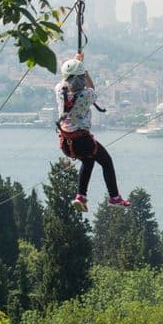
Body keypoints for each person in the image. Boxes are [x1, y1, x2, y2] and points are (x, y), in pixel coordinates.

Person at [55, 52, 130, 212]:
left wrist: (76, 63)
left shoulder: (59, 91)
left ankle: (80, 196)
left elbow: (66, 80)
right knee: (106, 162)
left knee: (88, 161)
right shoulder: (86, 95)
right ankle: (114, 197)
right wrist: (84, 69)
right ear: (82, 77)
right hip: (83, 141)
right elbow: (91, 87)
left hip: (66, 144)